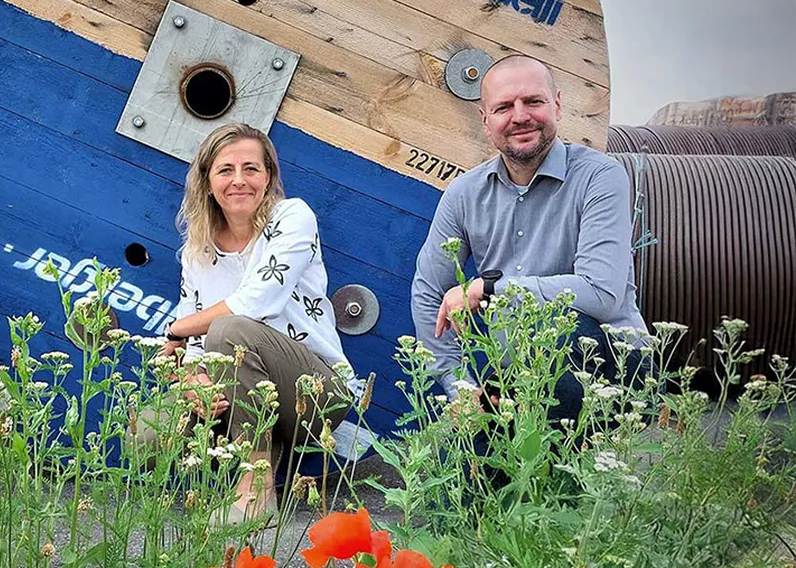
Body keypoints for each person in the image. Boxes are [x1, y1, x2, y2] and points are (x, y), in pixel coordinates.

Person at [410, 54, 648, 421]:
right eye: (504, 107)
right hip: (517, 379)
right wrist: (459, 386)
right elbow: (428, 294)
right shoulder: (464, 194)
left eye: (533, 101)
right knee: (463, 451)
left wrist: (490, 289)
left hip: (609, 368)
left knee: (562, 338)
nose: (520, 116)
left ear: (557, 105)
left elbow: (601, 293)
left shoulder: (600, 177)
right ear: (485, 120)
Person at [163, 123, 356, 525]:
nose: (239, 180)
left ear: (268, 176)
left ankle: (256, 491)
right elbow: (193, 346)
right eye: (225, 170)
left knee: (229, 330)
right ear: (207, 181)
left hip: (314, 393)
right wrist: (194, 380)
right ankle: (256, 452)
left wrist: (177, 329)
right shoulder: (197, 250)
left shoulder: (292, 217)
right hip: (240, 390)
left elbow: (255, 303)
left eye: (251, 168)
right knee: (148, 434)